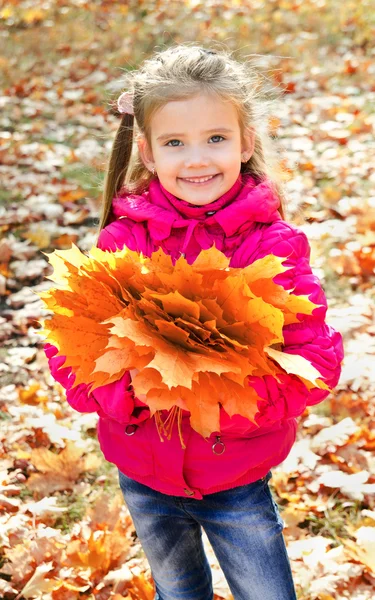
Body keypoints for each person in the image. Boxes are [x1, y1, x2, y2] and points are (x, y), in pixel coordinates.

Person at [44, 44, 344, 600]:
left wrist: (229, 405)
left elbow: (316, 359)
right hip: (143, 469)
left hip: (236, 471)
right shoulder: (122, 243)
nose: (197, 159)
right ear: (148, 152)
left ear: (245, 142)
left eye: (216, 138)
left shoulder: (272, 246)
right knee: (177, 590)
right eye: (175, 143)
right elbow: (70, 350)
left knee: (265, 591)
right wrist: (132, 398)